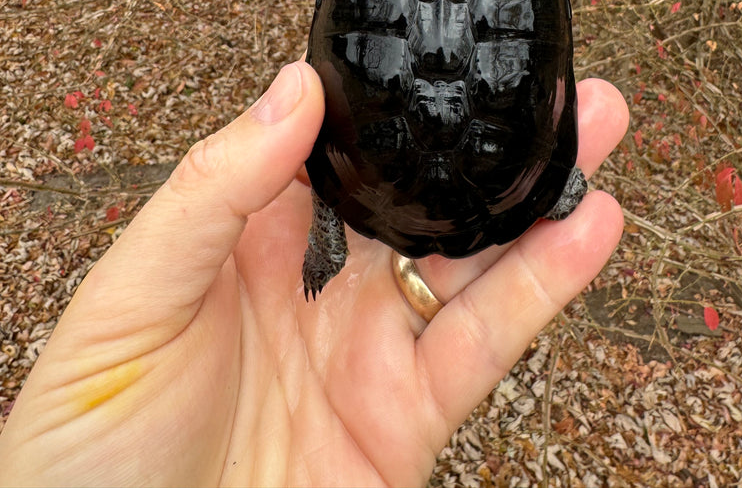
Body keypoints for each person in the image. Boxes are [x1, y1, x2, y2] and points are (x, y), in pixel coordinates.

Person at [0, 61, 627, 487]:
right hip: (477, 180)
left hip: (410, 178)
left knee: (336, 186)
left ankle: (525, 183)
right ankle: (531, 184)